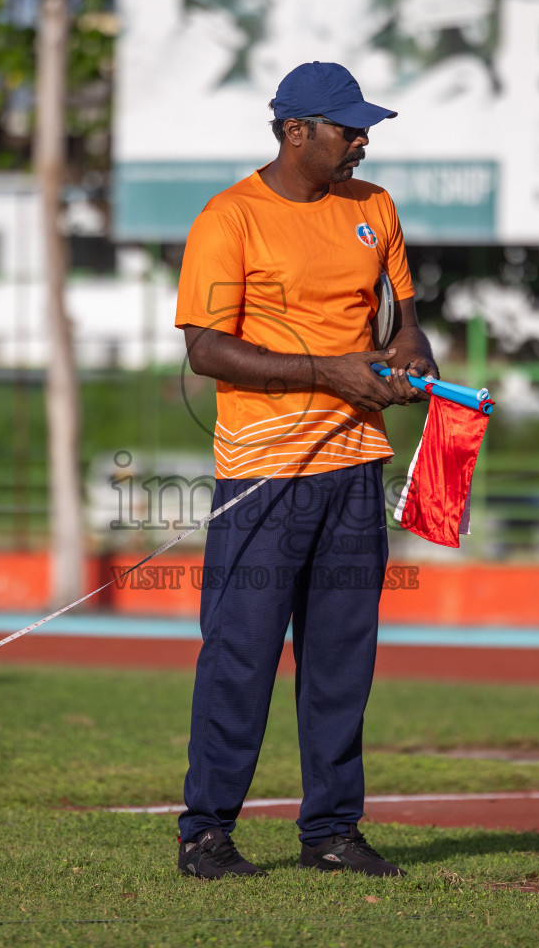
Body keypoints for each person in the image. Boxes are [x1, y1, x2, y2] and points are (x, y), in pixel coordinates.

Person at [172, 62, 436, 879]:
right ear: (296, 132)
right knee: (240, 657)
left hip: (356, 470)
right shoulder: (228, 218)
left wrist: (406, 362)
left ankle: (331, 831)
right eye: (349, 127)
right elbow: (206, 349)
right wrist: (333, 372)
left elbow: (407, 327)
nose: (363, 139)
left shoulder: (375, 207)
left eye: (366, 128)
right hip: (262, 478)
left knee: (342, 662)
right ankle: (207, 832)